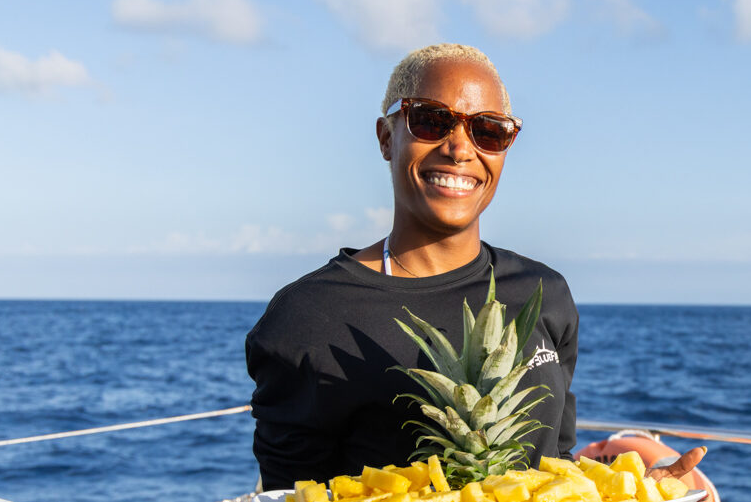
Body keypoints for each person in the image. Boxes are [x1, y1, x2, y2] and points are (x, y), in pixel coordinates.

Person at [245, 43, 706, 493]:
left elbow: (556, 464)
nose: (460, 148)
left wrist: (636, 491)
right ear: (387, 137)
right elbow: (292, 493)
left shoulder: (543, 293)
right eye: (430, 120)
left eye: (488, 130)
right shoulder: (305, 316)